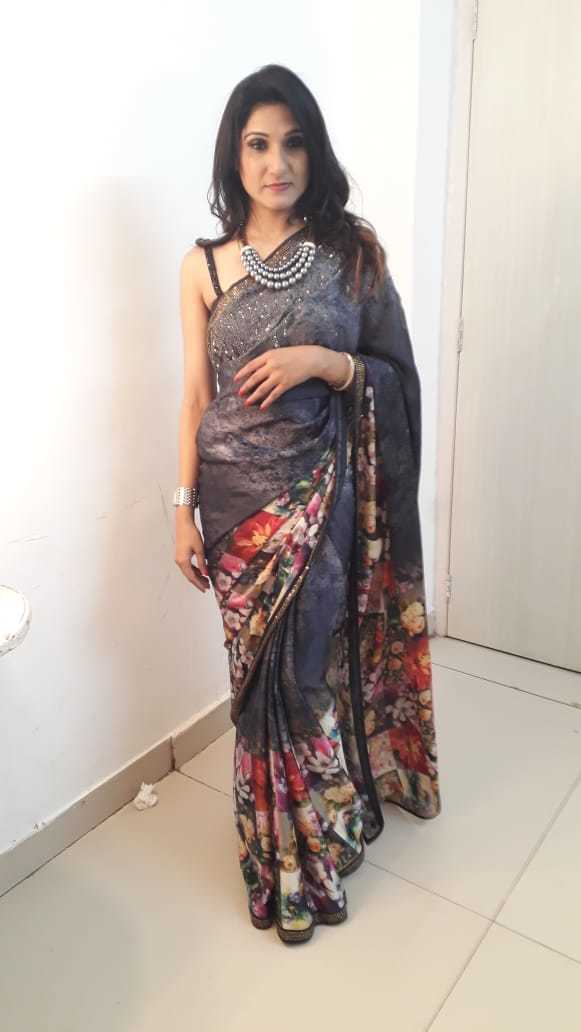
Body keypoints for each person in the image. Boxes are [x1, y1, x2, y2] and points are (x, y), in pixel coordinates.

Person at [175, 63, 441, 945]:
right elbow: (193, 396)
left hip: (321, 494)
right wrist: (180, 507)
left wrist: (326, 364)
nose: (275, 162)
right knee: (254, 687)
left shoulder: (350, 254)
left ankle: (320, 841)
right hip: (232, 509)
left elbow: (393, 374)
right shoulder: (202, 266)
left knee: (308, 672)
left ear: (312, 152)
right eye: (257, 144)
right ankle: (276, 860)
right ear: (234, 155)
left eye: (292, 143)